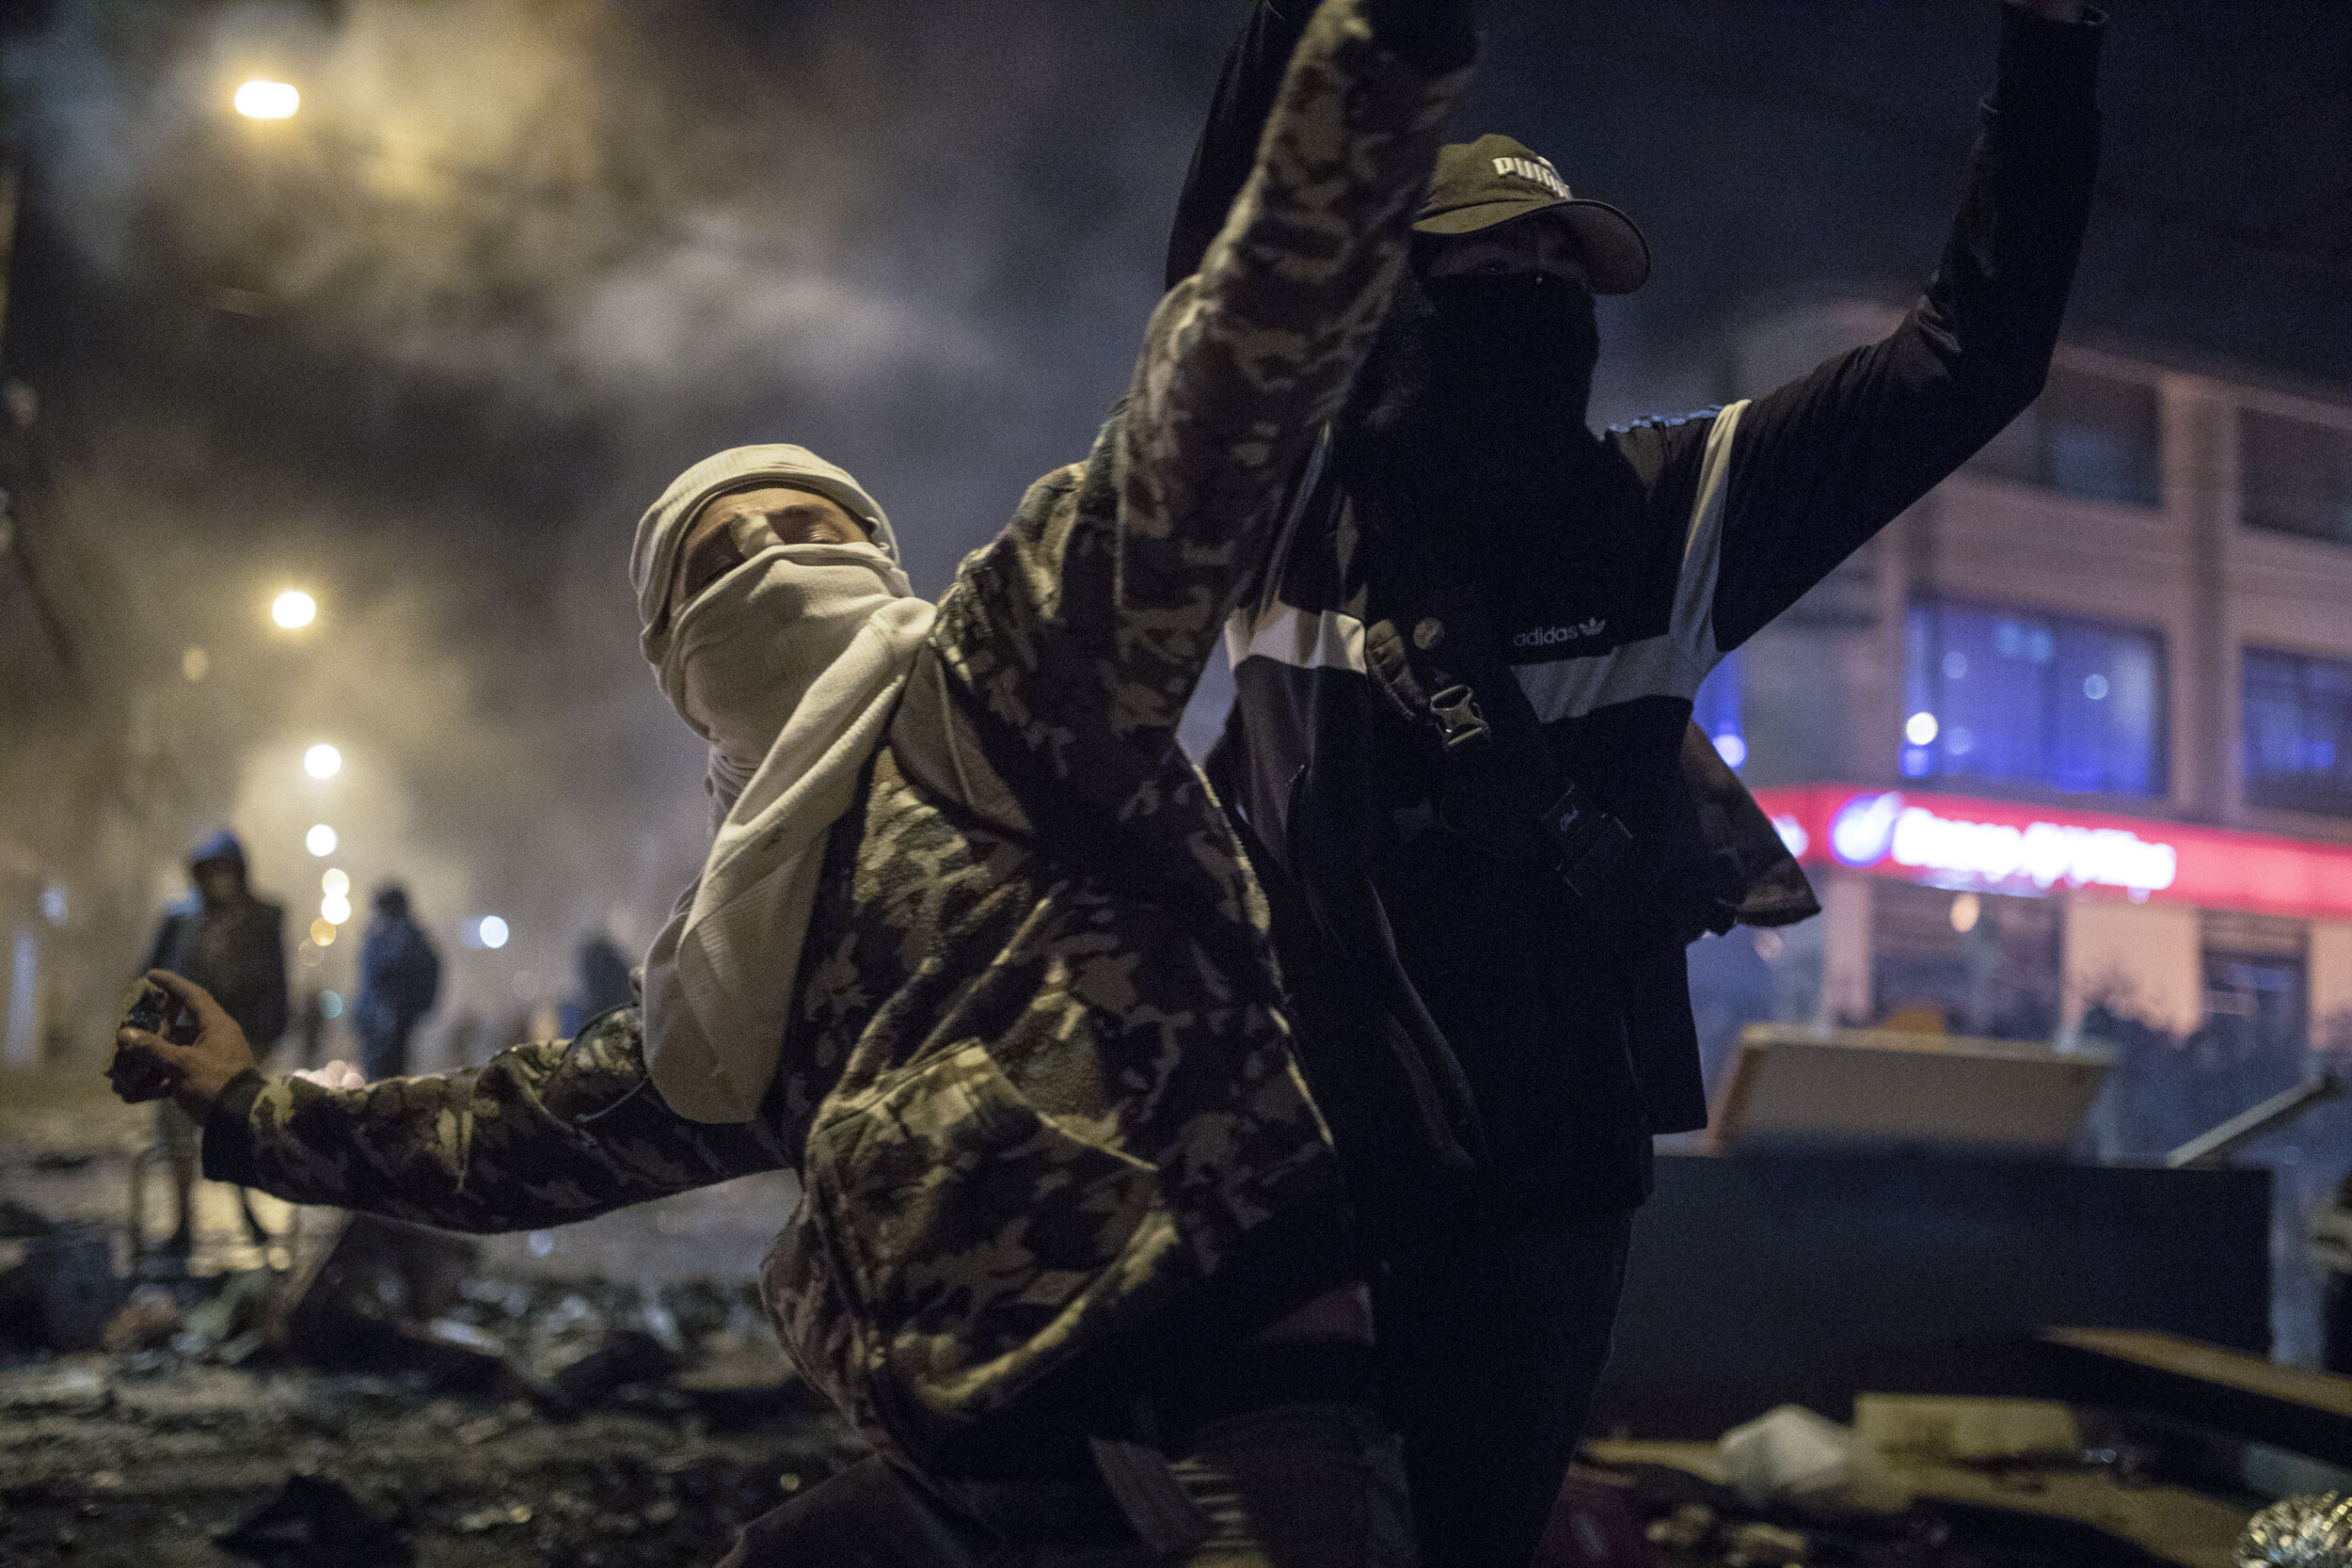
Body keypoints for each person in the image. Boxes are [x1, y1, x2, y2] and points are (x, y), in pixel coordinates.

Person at [116, 2, 1476, 1560]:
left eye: (811, 525)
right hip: (975, 1465)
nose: (768, 553)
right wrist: (245, 1108)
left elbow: (1215, 405)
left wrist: (1368, 71)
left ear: (884, 558)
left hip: (1222, 1419)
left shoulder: (1004, 680)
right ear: (675, 663)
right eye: (714, 555)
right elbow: (514, 1134)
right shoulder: (731, 957)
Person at [1169, 2, 2106, 1562]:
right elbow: (1220, 276)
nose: (1540, 293)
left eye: (1566, 275)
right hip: (1292, 1187)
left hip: (1542, 1209)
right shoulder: (1282, 494)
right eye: (1494, 262)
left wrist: (2055, 47)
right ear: (1394, 292)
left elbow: (1976, 351)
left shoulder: (1670, 512)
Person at [138, 830, 289, 1261]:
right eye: (212, 872)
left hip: (237, 1045)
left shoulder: (263, 919)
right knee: (177, 1136)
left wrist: (264, 1040)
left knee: (237, 1130)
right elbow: (151, 976)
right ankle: (183, 1224)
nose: (220, 881)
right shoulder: (180, 920)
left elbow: (276, 986)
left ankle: (248, 1213)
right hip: (179, 1044)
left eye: (227, 872)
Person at [352, 883, 441, 1081]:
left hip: (385, 1021)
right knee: (390, 1078)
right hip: (388, 1020)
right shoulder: (410, 936)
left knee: (382, 1082)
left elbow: (380, 976)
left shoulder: (396, 936)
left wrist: (390, 1012)